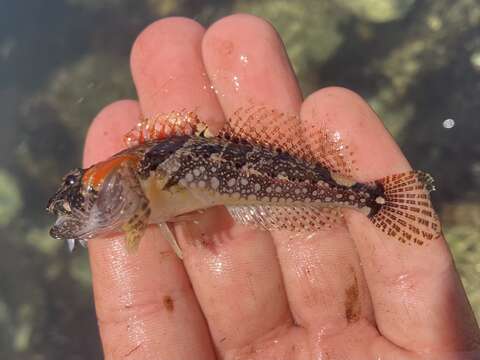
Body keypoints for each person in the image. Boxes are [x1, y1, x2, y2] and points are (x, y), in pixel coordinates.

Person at [83, 14, 480, 359]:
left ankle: (374, 199)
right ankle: (370, 199)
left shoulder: (137, 189)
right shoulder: (136, 183)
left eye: (86, 193)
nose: (86, 204)